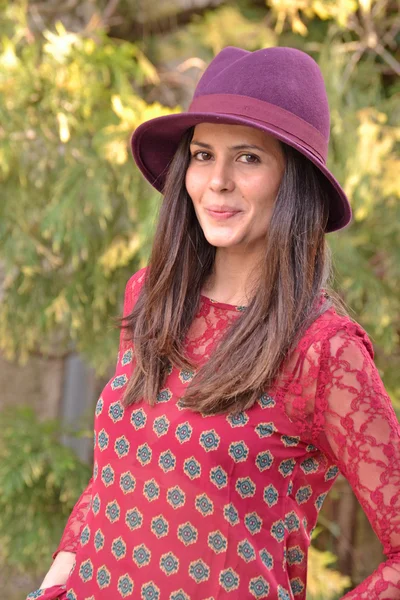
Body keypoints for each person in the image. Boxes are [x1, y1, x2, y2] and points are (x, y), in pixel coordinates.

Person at [27, 46, 400, 600]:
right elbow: (121, 467)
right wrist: (59, 573)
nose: (217, 180)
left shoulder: (324, 351)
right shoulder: (151, 294)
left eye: (247, 158)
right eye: (203, 155)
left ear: (292, 179)